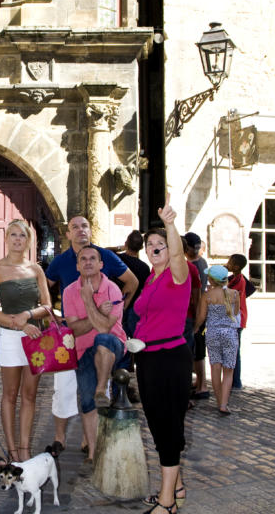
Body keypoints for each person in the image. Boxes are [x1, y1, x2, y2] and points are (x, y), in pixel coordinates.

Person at [45, 215, 138, 454]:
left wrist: (118, 310)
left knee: (104, 341)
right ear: (68, 234)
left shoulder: (109, 273)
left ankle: (92, 441)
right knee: (68, 391)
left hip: (105, 342)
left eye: (84, 225)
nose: (80, 230)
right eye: (74, 227)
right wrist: (50, 312)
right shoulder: (62, 267)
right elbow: (44, 285)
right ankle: (63, 438)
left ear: (100, 263)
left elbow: (131, 283)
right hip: (73, 340)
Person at [134, 195, 191, 514]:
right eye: (149, 244)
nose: (154, 247)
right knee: (158, 424)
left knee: (169, 428)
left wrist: (170, 224)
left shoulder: (176, 275)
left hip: (170, 359)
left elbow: (179, 254)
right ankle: (177, 486)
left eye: (160, 243)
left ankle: (167, 502)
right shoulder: (151, 278)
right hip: (148, 359)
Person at [0, 219, 52, 462]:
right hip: (11, 339)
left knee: (30, 394)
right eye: (12, 235)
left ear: (28, 240)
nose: (17, 239)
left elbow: (47, 306)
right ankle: (12, 449)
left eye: (21, 236)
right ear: (6, 239)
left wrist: (29, 316)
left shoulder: (36, 270)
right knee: (10, 394)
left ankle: (25, 448)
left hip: (36, 339)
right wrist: (19, 323)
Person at [64, 246, 126, 463]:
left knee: (103, 340)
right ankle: (93, 452)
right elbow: (74, 330)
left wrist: (89, 301)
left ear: (101, 264)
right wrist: (98, 314)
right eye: (83, 259)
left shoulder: (113, 290)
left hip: (112, 347)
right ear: (78, 265)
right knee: (87, 401)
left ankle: (102, 386)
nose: (88, 262)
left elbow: (105, 330)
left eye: (93, 258)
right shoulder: (69, 291)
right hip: (82, 351)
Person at [194, 265, 239, 415]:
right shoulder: (234, 294)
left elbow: (201, 317)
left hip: (212, 333)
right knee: (228, 370)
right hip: (230, 333)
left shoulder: (207, 296)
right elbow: (237, 312)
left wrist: (196, 327)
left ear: (211, 280)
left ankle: (219, 401)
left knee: (215, 367)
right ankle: (224, 404)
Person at [184, 232, 209, 401]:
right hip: (197, 313)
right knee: (196, 352)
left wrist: (197, 322)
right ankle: (199, 383)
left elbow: (198, 295)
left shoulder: (196, 265)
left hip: (197, 314)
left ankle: (202, 386)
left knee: (198, 352)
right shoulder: (200, 262)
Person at [226, 254, 250, 390]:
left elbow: (227, 294)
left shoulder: (238, 281)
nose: (227, 263)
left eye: (230, 262)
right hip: (236, 318)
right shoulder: (235, 278)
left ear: (236, 266)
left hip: (237, 319)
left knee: (235, 351)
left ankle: (236, 381)